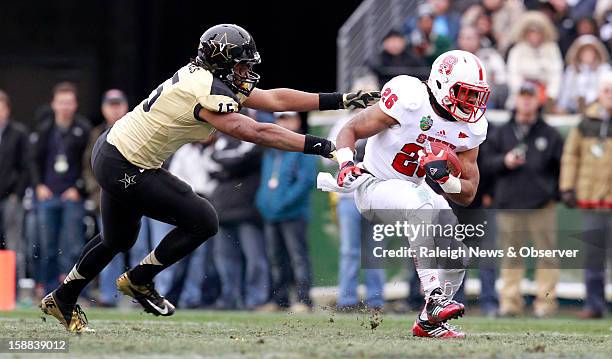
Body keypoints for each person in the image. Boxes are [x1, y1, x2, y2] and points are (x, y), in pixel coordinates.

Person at [39, 24, 379, 333]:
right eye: (241, 64)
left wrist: (341, 99)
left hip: (115, 150)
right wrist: (325, 146)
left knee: (118, 239)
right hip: (126, 164)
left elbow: (274, 98)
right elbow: (254, 130)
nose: (247, 71)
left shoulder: (209, 78)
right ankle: (140, 279)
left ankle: (63, 298)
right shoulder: (206, 89)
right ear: (221, 62)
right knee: (202, 219)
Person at [328, 50, 491, 338]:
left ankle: (429, 322)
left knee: (457, 255)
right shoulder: (410, 98)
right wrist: (345, 163)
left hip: (415, 192)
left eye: (476, 96)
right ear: (440, 84)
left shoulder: (470, 127)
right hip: (373, 187)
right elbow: (350, 128)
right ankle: (435, 297)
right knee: (423, 203)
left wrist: (446, 179)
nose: (471, 104)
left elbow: (469, 193)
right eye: (464, 93)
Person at [482, 82, 564, 318]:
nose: (526, 101)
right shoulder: (501, 132)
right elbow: (486, 164)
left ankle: (545, 304)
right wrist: (504, 162)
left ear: (538, 100)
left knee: (547, 256)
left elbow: (561, 168)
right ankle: (510, 304)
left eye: (531, 97)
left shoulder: (550, 133)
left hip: (542, 205)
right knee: (510, 257)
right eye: (523, 96)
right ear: (516, 100)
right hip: (509, 204)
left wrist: (553, 194)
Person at [559, 73, 612, 319]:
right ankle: (594, 305)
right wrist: (567, 187)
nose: (609, 95)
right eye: (606, 90)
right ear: (599, 93)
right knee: (593, 258)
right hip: (592, 201)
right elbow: (571, 156)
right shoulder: (585, 123)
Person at [30, 82, 91, 294]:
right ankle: (49, 290)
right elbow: (34, 161)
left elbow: (89, 163)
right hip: (48, 195)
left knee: (74, 247)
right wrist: (38, 185)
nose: (65, 107)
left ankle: (76, 291)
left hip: (72, 196)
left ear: (75, 105)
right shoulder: (44, 129)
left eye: (69, 103)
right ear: (53, 104)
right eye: (61, 102)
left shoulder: (83, 130)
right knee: (47, 246)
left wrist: (79, 188)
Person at [256, 112, 317, 313]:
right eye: (279, 118)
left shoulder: (303, 146)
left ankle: (303, 300)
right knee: (276, 259)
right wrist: (264, 203)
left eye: (286, 118)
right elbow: (266, 180)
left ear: (297, 120)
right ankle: (280, 300)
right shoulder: (272, 148)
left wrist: (283, 203)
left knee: (298, 258)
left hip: (293, 213)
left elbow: (305, 181)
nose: (282, 121)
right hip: (271, 213)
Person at [209, 130, 268, 310]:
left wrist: (224, 170)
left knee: (254, 258)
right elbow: (213, 160)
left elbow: (236, 161)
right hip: (222, 210)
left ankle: (256, 299)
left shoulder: (252, 140)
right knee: (225, 259)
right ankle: (229, 297)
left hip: (247, 211)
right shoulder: (220, 143)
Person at [505, 11, 564, 111]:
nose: (535, 35)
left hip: (545, 95)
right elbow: (513, 74)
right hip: (522, 93)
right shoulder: (517, 50)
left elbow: (556, 74)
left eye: (538, 32)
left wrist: (551, 95)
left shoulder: (552, 49)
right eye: (531, 32)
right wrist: (522, 92)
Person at [0, 90, 29, 283]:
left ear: (7, 110)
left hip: (10, 197)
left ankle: (14, 288)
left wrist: (17, 194)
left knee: (13, 243)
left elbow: (26, 166)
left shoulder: (19, 133)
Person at [557, 35, 611, 114]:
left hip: (598, 108)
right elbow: (566, 92)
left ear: (596, 52)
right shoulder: (571, 70)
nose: (587, 54)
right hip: (574, 108)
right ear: (578, 53)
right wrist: (561, 106)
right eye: (584, 51)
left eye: (590, 51)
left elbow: (606, 90)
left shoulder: (604, 69)